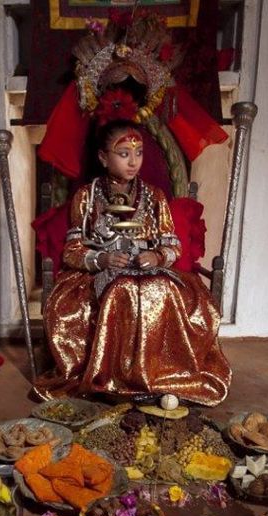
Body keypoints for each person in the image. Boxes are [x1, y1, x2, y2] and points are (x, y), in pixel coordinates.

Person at [35, 120, 231, 406]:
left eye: (138, 153)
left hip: (149, 269)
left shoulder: (155, 197)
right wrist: (102, 258)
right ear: (103, 158)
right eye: (124, 153)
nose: (133, 162)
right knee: (122, 290)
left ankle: (159, 376)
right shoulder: (86, 198)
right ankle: (118, 381)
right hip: (101, 272)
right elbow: (71, 251)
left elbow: (172, 243)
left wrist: (157, 256)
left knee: (163, 290)